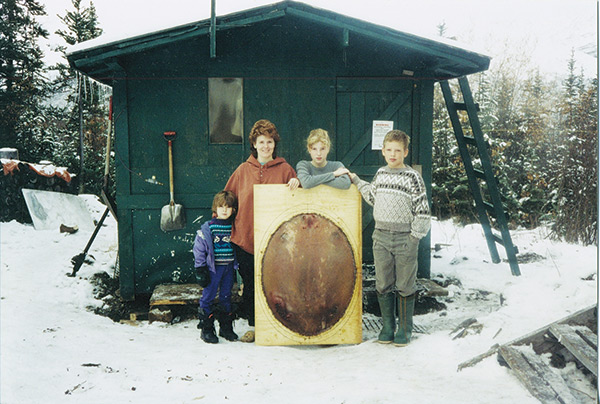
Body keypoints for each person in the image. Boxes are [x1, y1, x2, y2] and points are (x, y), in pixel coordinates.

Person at [349, 130, 430, 346]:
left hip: (405, 238)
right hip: (381, 238)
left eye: (398, 150)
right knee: (383, 282)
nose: (393, 154)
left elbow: (423, 211)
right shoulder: (381, 174)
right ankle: (387, 327)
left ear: (405, 152)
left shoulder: (413, 177)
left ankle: (405, 330)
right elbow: (372, 196)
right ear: (383, 151)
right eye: (389, 150)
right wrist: (356, 180)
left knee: (405, 284)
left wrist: (414, 238)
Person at [224, 119, 299, 342]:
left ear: (275, 144)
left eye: (270, 142)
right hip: (246, 239)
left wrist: (296, 183)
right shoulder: (242, 171)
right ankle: (256, 327)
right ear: (254, 145)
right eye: (261, 142)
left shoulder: (285, 169)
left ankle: (278, 326)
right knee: (251, 285)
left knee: (276, 284)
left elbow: (300, 202)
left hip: (277, 243)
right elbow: (227, 199)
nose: (266, 146)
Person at [193, 190, 239, 344]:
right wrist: (200, 267)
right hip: (214, 268)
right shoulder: (209, 227)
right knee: (209, 296)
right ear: (215, 209)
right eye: (221, 207)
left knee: (226, 296)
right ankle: (206, 329)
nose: (224, 210)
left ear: (233, 210)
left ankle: (225, 328)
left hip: (229, 267)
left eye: (228, 207)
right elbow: (199, 247)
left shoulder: (234, 227)